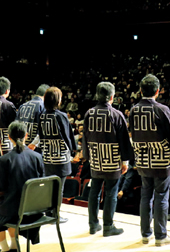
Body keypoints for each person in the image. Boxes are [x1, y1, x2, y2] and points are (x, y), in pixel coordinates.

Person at [129, 74, 170, 246]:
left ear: (141, 90)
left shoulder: (134, 109)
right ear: (158, 91)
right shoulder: (162, 109)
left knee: (146, 195)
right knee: (161, 197)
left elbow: (133, 135)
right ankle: (160, 236)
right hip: (161, 159)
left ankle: (145, 234)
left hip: (142, 158)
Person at [0, 121, 44, 252]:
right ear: (26, 135)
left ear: (9, 137)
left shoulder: (5, 160)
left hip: (14, 210)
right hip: (33, 210)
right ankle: (14, 247)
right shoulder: (37, 157)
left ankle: (5, 249)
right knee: (12, 204)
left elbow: (2, 186)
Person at [84, 81, 134, 237]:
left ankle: (93, 225)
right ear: (112, 97)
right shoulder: (116, 115)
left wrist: (88, 157)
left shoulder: (89, 113)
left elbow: (85, 138)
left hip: (95, 158)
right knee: (111, 192)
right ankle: (108, 226)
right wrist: (125, 161)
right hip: (112, 160)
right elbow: (124, 142)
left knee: (94, 191)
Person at [37, 86, 76, 223]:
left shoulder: (42, 116)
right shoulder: (61, 116)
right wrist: (73, 150)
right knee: (59, 188)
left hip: (47, 156)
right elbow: (68, 136)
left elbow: (41, 136)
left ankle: (48, 212)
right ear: (57, 101)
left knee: (49, 187)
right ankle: (55, 216)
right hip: (60, 157)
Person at [16, 84, 48, 148]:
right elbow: (43, 128)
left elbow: (15, 124)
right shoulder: (43, 106)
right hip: (35, 146)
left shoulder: (22, 106)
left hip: (20, 144)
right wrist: (34, 143)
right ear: (46, 95)